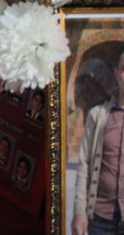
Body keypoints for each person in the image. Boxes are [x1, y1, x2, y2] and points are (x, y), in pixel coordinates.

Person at [72, 50, 124, 235]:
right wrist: (79, 213)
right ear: (116, 72)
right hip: (101, 220)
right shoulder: (98, 115)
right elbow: (85, 164)